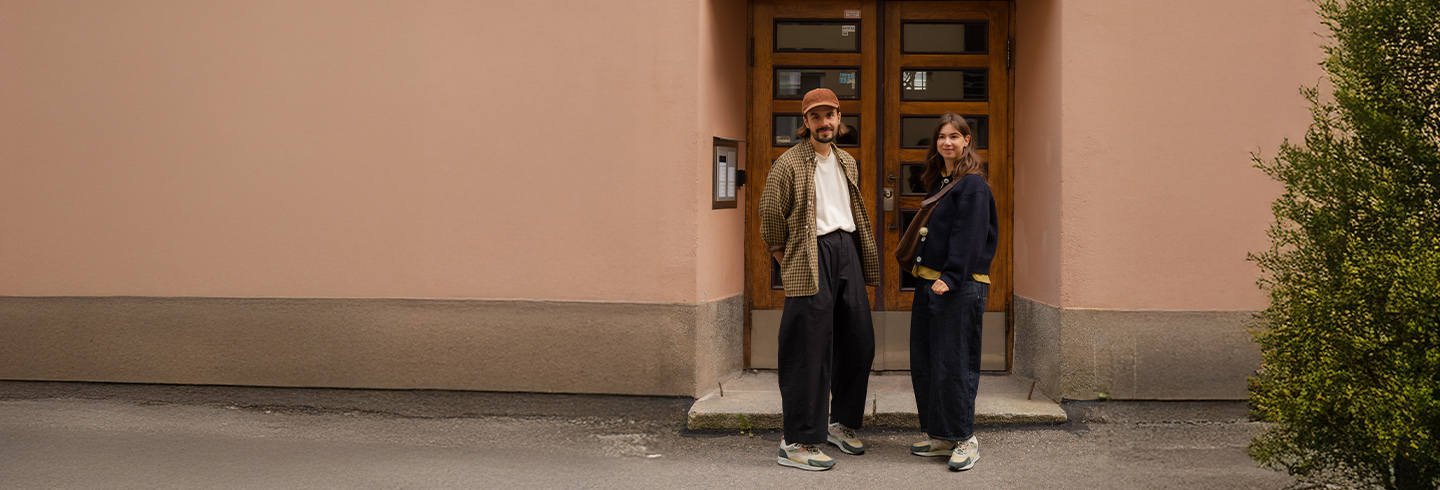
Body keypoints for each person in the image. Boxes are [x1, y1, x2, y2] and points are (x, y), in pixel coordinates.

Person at [759, 88, 880, 471]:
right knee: (807, 349)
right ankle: (797, 441)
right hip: (810, 255)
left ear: (839, 118)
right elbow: (770, 218)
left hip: (847, 251)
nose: (824, 123)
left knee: (859, 342)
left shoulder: (847, 161)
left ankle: (840, 423)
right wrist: (787, 261)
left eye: (830, 115)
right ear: (806, 122)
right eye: (816, 116)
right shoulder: (788, 164)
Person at [905, 113, 998, 471]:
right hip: (932, 282)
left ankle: (964, 438)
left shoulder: (973, 185)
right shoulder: (943, 181)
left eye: (954, 136)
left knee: (954, 364)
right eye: (942, 136)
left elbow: (970, 234)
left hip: (956, 286)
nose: (947, 142)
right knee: (928, 363)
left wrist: (952, 276)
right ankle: (942, 435)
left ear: (967, 141)